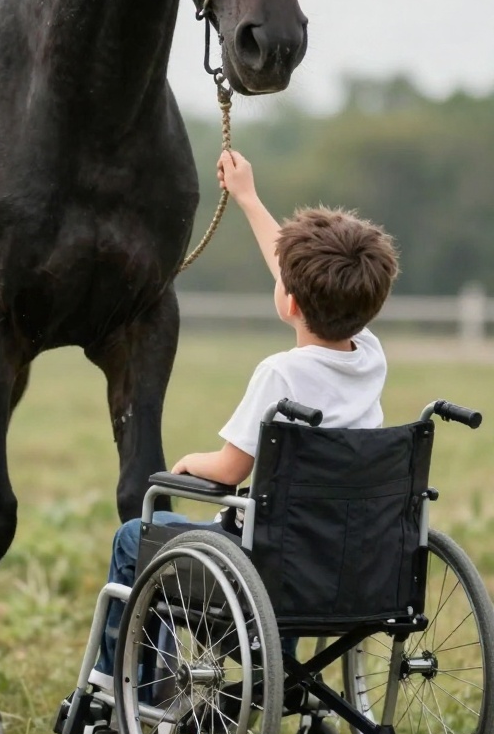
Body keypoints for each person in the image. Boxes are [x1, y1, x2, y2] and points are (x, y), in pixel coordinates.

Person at [88, 149, 399, 690]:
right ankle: (278, 672)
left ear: (291, 304)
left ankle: (122, 685)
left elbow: (230, 470)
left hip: (266, 567)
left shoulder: (281, 374)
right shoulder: (369, 354)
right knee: (288, 530)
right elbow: (299, 278)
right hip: (344, 561)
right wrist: (248, 198)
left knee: (137, 537)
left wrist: (191, 461)